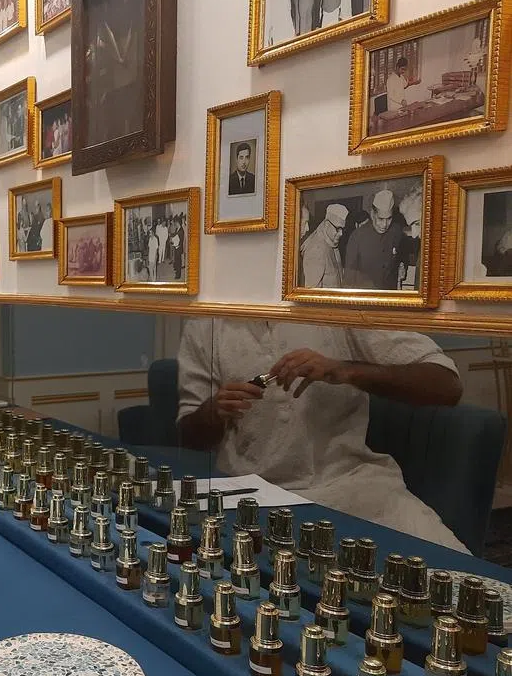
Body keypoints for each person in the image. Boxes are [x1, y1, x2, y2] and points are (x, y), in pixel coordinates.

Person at [176, 319, 467, 550]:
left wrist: (346, 370)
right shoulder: (204, 324)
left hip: (355, 488)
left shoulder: (336, 304)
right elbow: (188, 436)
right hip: (253, 500)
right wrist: (213, 411)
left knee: (461, 582)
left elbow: (446, 385)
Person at [345, 189, 405, 290]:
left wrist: (403, 266)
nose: (385, 225)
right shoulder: (357, 237)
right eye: (381, 219)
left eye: (389, 218)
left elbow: (402, 256)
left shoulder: (396, 232)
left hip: (388, 296)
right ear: (373, 214)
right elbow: (349, 279)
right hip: (365, 298)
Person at [300, 203, 347, 288]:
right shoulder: (316, 249)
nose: (341, 234)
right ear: (327, 224)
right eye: (337, 229)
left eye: (342, 229)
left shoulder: (331, 241)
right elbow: (312, 295)